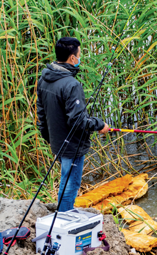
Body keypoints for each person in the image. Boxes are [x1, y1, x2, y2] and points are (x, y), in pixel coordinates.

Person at [36, 37, 110, 212]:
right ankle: (64, 216)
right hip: (72, 145)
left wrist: (48, 136)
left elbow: (41, 113)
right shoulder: (71, 84)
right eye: (79, 55)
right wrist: (100, 125)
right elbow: (78, 120)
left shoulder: (44, 78)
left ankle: (63, 212)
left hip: (57, 141)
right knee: (71, 183)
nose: (79, 58)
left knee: (65, 177)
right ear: (71, 58)